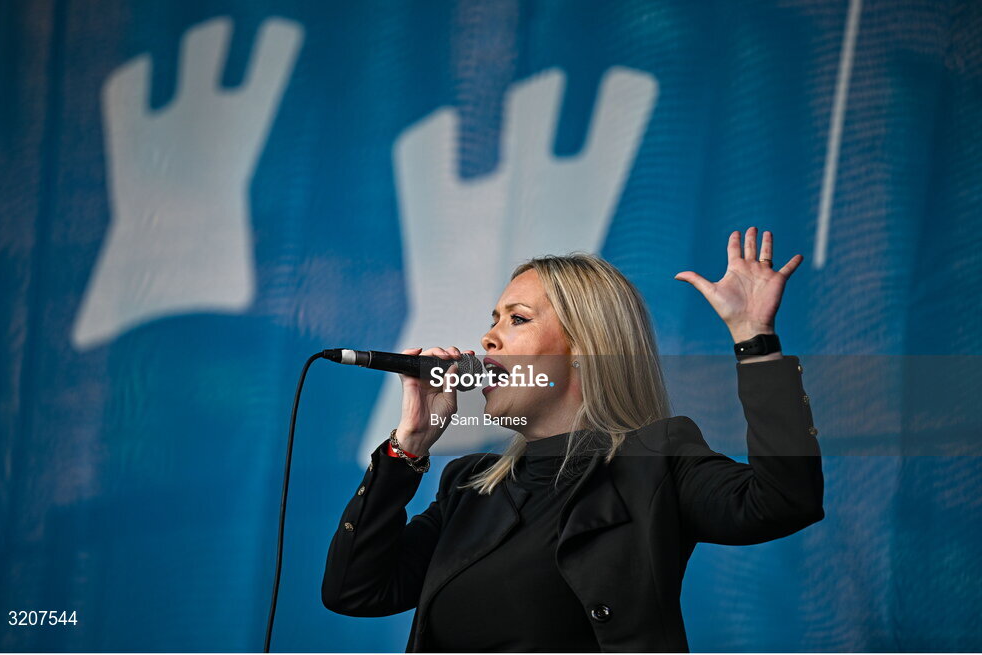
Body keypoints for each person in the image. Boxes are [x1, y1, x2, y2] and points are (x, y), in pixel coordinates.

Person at [322, 227, 824, 652]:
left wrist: (755, 341)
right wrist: (407, 448)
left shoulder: (656, 460)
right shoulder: (468, 485)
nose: (487, 339)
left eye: (517, 319)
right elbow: (356, 591)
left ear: (585, 348)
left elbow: (781, 502)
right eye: (492, 321)